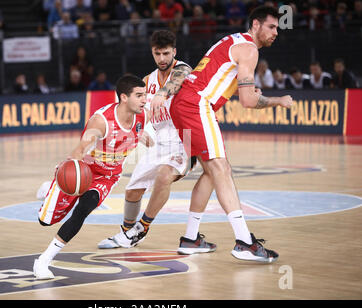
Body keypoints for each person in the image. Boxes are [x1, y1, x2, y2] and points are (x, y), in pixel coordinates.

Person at [151, 6, 294, 263]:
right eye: (271, 27)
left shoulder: (233, 40)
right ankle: (244, 242)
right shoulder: (250, 49)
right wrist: (278, 100)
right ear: (256, 25)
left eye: (278, 28)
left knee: (211, 171)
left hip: (185, 103)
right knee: (221, 168)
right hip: (196, 104)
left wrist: (251, 92)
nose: (276, 33)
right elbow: (249, 102)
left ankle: (191, 239)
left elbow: (232, 86)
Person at [96, 30, 213, 255]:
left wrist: (162, 93)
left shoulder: (184, 70)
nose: (162, 58)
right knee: (132, 191)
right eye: (157, 53)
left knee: (164, 175)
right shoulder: (147, 80)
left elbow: (178, 77)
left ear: (174, 52)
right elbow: (135, 109)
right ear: (152, 52)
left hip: (185, 141)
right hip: (159, 141)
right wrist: (138, 130)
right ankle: (127, 234)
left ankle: (142, 228)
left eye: (166, 53)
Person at [33, 74, 150, 279]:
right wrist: (69, 172)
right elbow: (79, 151)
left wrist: (149, 140)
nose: (144, 100)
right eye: (139, 95)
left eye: (145, 95)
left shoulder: (143, 116)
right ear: (124, 97)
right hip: (85, 170)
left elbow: (138, 132)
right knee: (45, 220)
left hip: (107, 177)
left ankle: (43, 260)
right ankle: (49, 188)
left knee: (82, 210)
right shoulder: (101, 121)